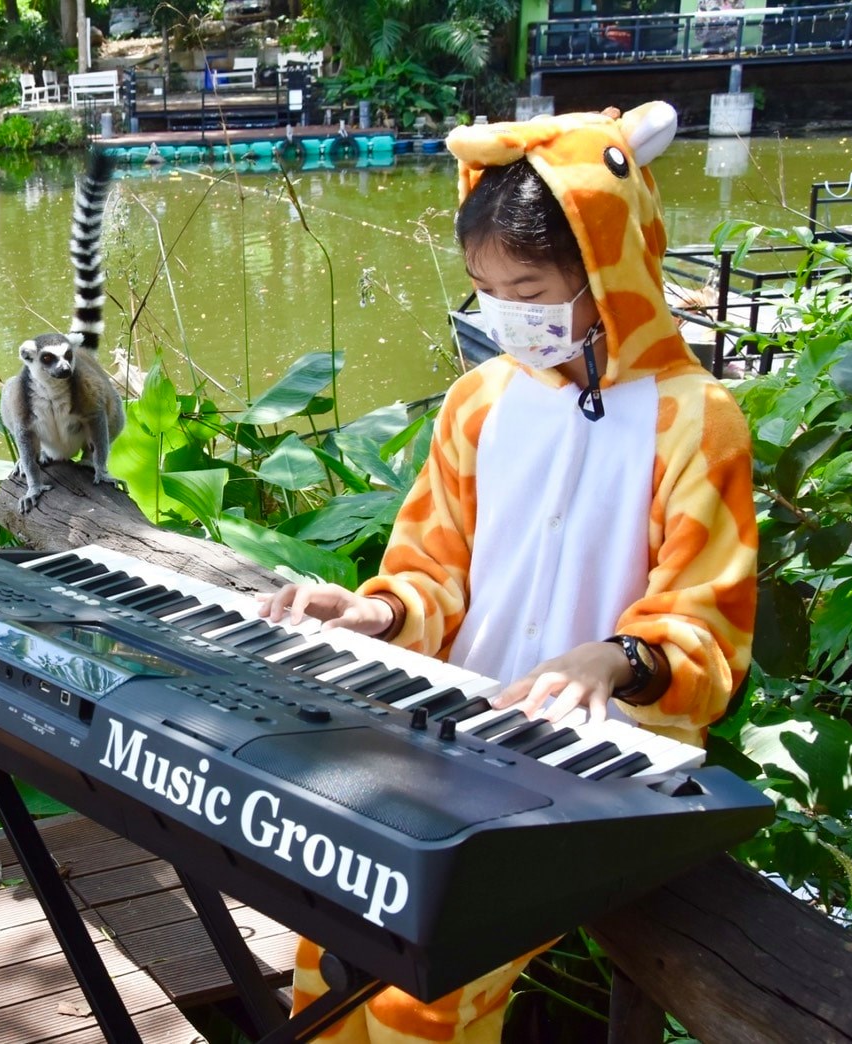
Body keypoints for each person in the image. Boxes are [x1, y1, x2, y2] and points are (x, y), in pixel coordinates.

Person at [260, 102, 758, 1043]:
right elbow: (433, 570)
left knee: (425, 991)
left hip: (596, 771)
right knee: (327, 942)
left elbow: (709, 623)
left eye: (528, 288)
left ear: (607, 271)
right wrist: (373, 612)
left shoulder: (696, 419)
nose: (506, 315)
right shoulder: (479, 400)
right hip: (453, 738)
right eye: (486, 288)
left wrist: (612, 660)